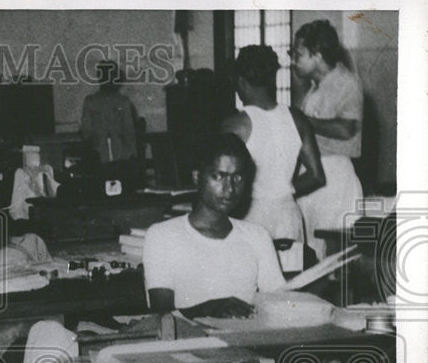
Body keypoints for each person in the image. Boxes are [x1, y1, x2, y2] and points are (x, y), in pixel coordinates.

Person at [143, 134, 286, 319]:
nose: (230, 188)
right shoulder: (162, 236)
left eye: (238, 177)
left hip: (247, 339)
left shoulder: (257, 236)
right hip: (190, 343)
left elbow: (280, 303)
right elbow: (161, 315)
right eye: (218, 176)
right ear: (197, 177)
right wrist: (207, 309)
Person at [222, 45, 325, 247]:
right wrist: (282, 190)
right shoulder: (297, 119)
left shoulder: (234, 125)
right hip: (288, 214)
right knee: (292, 275)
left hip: (251, 216)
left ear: (240, 82)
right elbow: (316, 175)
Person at [290, 19, 364, 260]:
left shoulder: (346, 82)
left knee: (331, 257)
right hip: (315, 173)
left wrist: (302, 121)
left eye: (297, 54)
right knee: (311, 249)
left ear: (317, 54)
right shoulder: (316, 88)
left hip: (334, 175)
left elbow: (346, 129)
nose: (293, 60)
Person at [79, 60, 140, 164]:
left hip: (100, 157)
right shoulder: (123, 101)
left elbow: (86, 132)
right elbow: (129, 131)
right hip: (120, 156)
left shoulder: (91, 101)